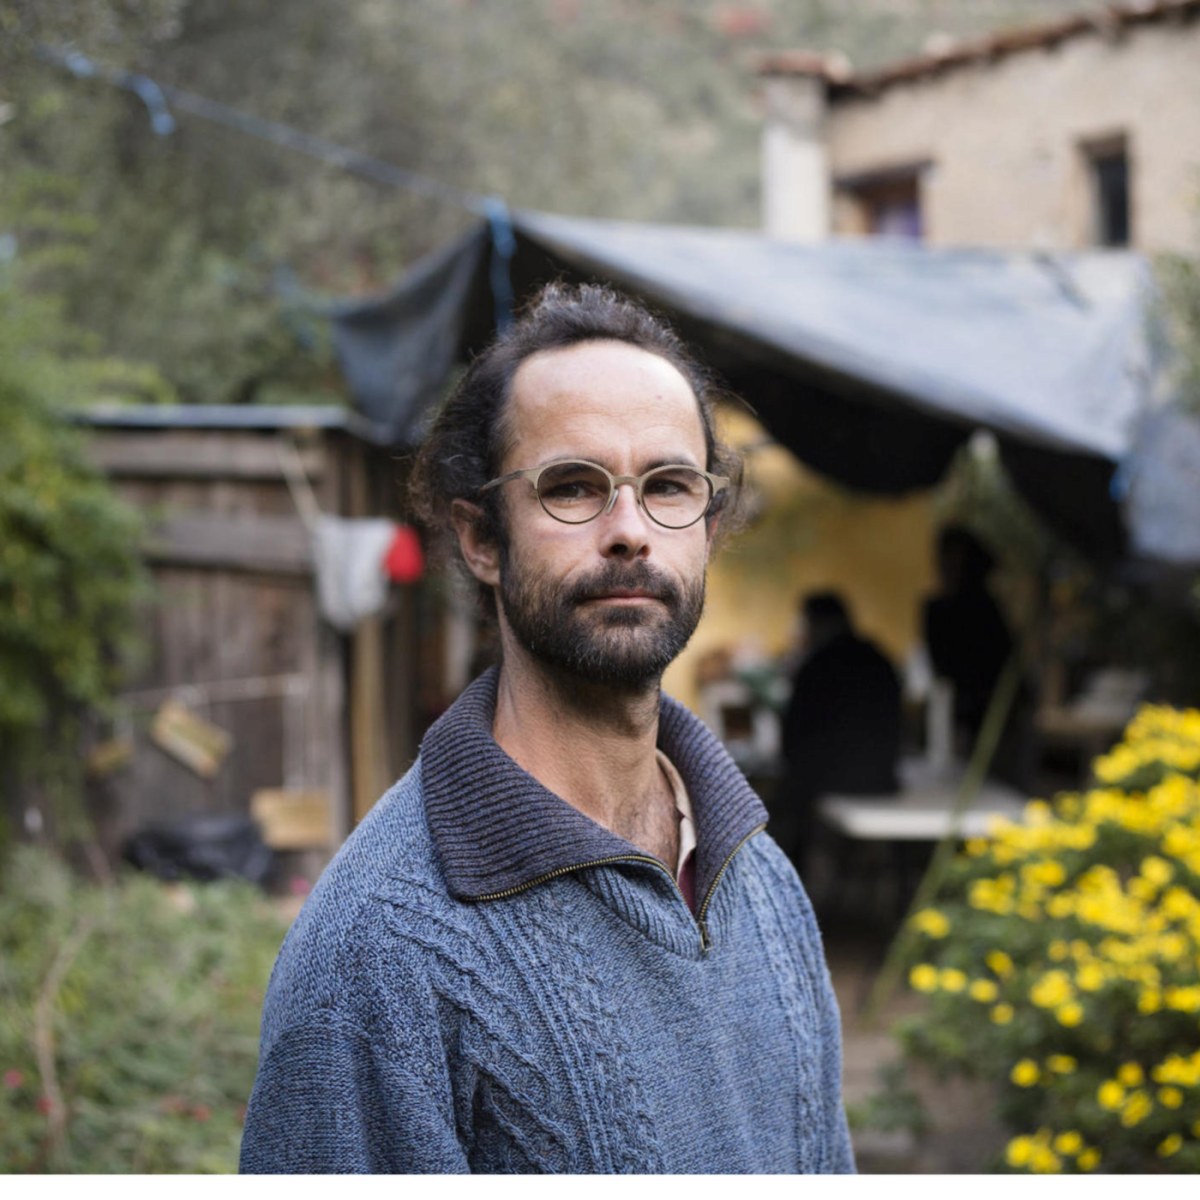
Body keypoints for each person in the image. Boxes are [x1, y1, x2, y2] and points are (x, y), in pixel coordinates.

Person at [239, 283, 855, 1176]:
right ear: (482, 538)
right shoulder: (378, 951)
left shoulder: (759, 878)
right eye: (573, 487)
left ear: (709, 526)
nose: (629, 532)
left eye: (668, 487)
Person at [771, 592, 902, 873]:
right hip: (881, 779)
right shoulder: (879, 658)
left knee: (775, 810)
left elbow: (793, 736)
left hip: (827, 781)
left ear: (815, 623)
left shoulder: (816, 665)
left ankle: (790, 885)